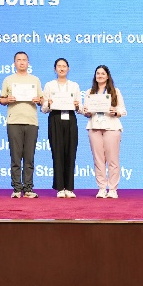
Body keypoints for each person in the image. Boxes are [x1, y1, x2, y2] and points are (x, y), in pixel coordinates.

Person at [0, 51, 44, 198]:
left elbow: (42, 100)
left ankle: (29, 188)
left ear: (28, 63)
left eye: (24, 60)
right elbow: (1, 99)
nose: (21, 62)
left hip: (31, 122)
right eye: (18, 60)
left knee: (29, 157)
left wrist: (38, 100)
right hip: (14, 122)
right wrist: (8, 99)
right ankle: (17, 188)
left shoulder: (35, 80)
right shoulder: (8, 79)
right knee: (16, 157)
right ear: (14, 63)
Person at [82, 65, 127, 199]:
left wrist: (116, 111)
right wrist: (86, 112)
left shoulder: (115, 91)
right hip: (94, 127)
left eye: (103, 73)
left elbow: (123, 110)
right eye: (98, 73)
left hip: (111, 127)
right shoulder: (90, 92)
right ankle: (102, 188)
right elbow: (86, 111)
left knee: (113, 160)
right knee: (98, 160)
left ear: (107, 76)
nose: (100, 76)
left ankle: (112, 189)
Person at [41, 58, 81, 198]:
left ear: (68, 69)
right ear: (55, 69)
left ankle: (69, 188)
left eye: (64, 66)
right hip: (55, 119)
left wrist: (77, 105)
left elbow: (81, 108)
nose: (62, 68)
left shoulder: (74, 86)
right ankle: (59, 188)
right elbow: (43, 109)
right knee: (57, 153)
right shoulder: (49, 85)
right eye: (59, 66)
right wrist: (48, 103)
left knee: (71, 152)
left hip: (70, 119)